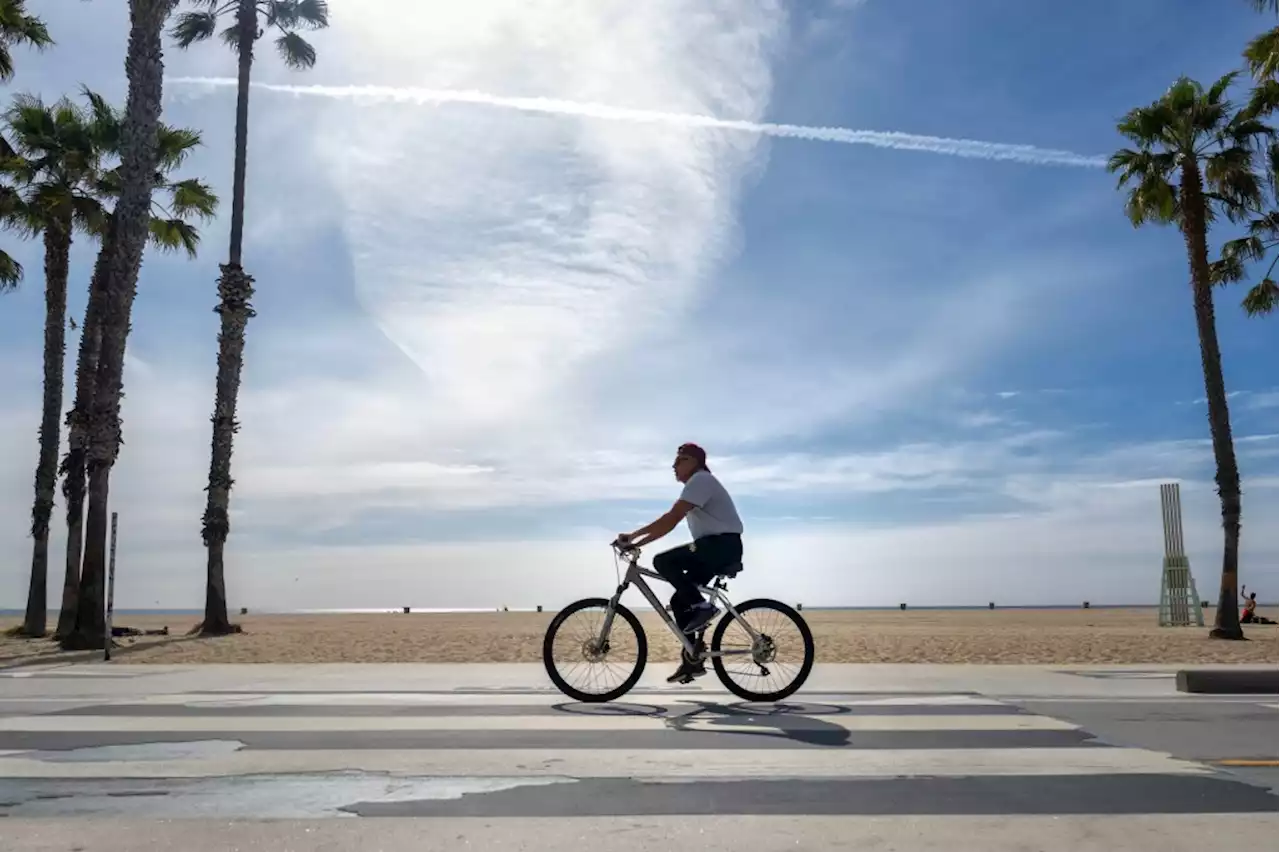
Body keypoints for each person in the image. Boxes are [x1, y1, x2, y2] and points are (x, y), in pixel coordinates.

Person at [615, 442, 744, 684]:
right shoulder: (696, 485)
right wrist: (636, 541)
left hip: (720, 546)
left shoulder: (701, 480)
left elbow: (671, 519)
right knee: (679, 600)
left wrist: (633, 538)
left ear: (695, 461)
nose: (674, 465)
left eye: (680, 460)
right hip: (714, 547)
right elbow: (668, 523)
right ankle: (692, 660)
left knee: (663, 560)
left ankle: (703, 608)